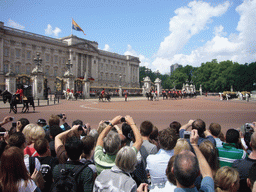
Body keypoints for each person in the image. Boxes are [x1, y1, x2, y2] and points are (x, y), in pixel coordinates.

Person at [52, 127, 94, 192]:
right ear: (81, 152)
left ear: (66, 153)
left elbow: (57, 138)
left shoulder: (56, 169)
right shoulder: (86, 172)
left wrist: (72, 129)